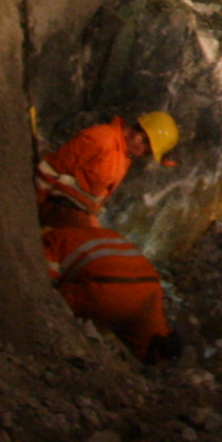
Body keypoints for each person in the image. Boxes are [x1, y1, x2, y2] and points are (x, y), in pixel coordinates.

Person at [42, 213, 177, 363]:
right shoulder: (77, 237)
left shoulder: (53, 239)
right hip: (136, 291)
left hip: (116, 292)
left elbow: (46, 285)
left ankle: (153, 351)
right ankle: (154, 350)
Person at [34, 110, 179, 226]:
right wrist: (35, 204)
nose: (143, 156)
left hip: (76, 211)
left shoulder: (123, 156)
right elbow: (53, 166)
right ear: (139, 137)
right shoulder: (102, 139)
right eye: (147, 152)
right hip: (59, 205)